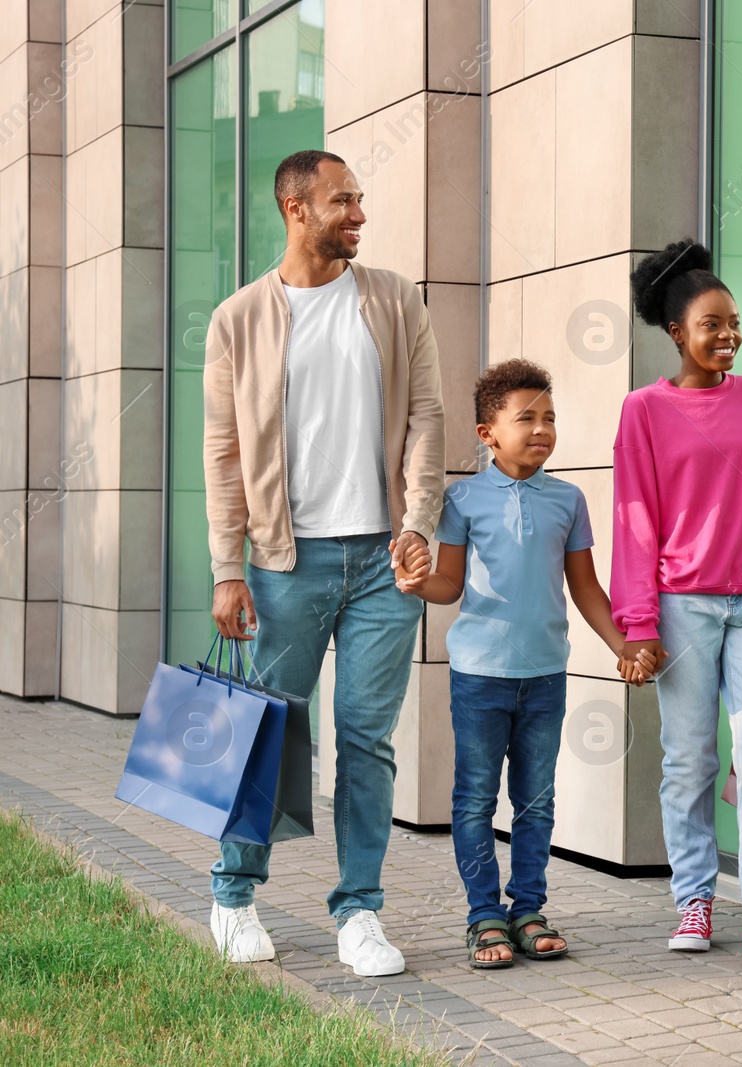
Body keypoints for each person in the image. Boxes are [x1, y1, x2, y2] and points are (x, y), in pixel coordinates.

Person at [204, 149, 443, 976]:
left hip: (384, 560)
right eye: (344, 201)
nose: (360, 215)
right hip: (283, 560)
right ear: (295, 208)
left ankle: (360, 913)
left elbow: (425, 416)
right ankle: (233, 895)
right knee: (265, 728)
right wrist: (226, 567)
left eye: (361, 200)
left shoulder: (392, 299)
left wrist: (418, 523)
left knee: (368, 741)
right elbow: (224, 454)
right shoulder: (238, 318)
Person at [396, 359, 658, 967]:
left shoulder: (568, 499)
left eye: (549, 418)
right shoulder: (463, 498)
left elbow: (586, 588)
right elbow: (450, 584)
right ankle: (484, 916)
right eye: (526, 419)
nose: (541, 429)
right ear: (488, 433)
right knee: (474, 801)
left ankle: (529, 909)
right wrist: (416, 585)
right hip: (479, 677)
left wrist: (622, 643)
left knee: (537, 802)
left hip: (544, 676)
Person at [612, 238, 742, 969]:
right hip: (683, 607)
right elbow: (634, 523)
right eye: (712, 324)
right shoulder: (643, 412)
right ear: (677, 332)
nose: (728, 335)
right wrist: (636, 626)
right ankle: (694, 899)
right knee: (690, 758)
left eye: (734, 321)